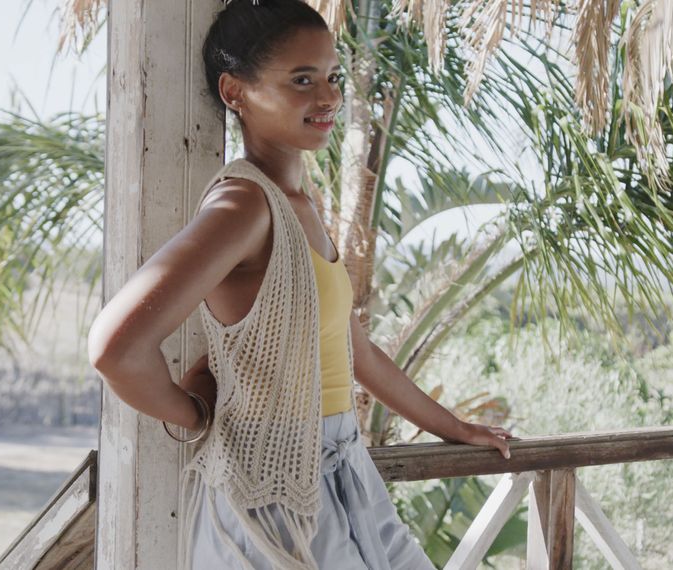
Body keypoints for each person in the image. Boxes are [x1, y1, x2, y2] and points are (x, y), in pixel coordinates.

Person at [86, 0, 514, 568]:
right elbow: (116, 348)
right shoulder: (244, 205)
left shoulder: (299, 206)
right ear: (235, 93)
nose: (329, 96)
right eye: (301, 80)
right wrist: (194, 414)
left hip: (345, 474)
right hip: (275, 497)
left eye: (332, 77)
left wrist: (451, 426)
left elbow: (353, 348)